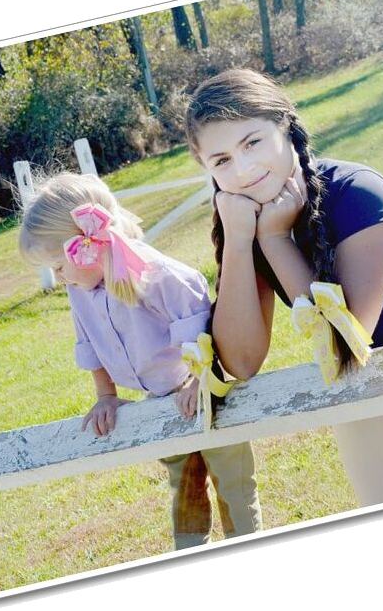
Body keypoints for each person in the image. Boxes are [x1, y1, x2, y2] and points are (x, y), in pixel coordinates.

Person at [183, 68, 383, 506]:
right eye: (221, 160)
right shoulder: (250, 219)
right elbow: (241, 361)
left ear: (284, 125)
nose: (242, 170)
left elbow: (349, 336)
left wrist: (277, 240)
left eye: (252, 142)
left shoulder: (358, 191)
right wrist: (242, 240)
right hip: (357, 388)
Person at [18, 172, 262, 549]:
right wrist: (105, 395)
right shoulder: (80, 291)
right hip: (158, 400)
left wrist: (199, 379)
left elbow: (198, 322)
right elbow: (90, 344)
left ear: (86, 247)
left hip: (205, 391)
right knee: (182, 477)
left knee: (231, 472)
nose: (58, 278)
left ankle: (246, 539)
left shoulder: (154, 274)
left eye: (59, 266)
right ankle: (190, 546)